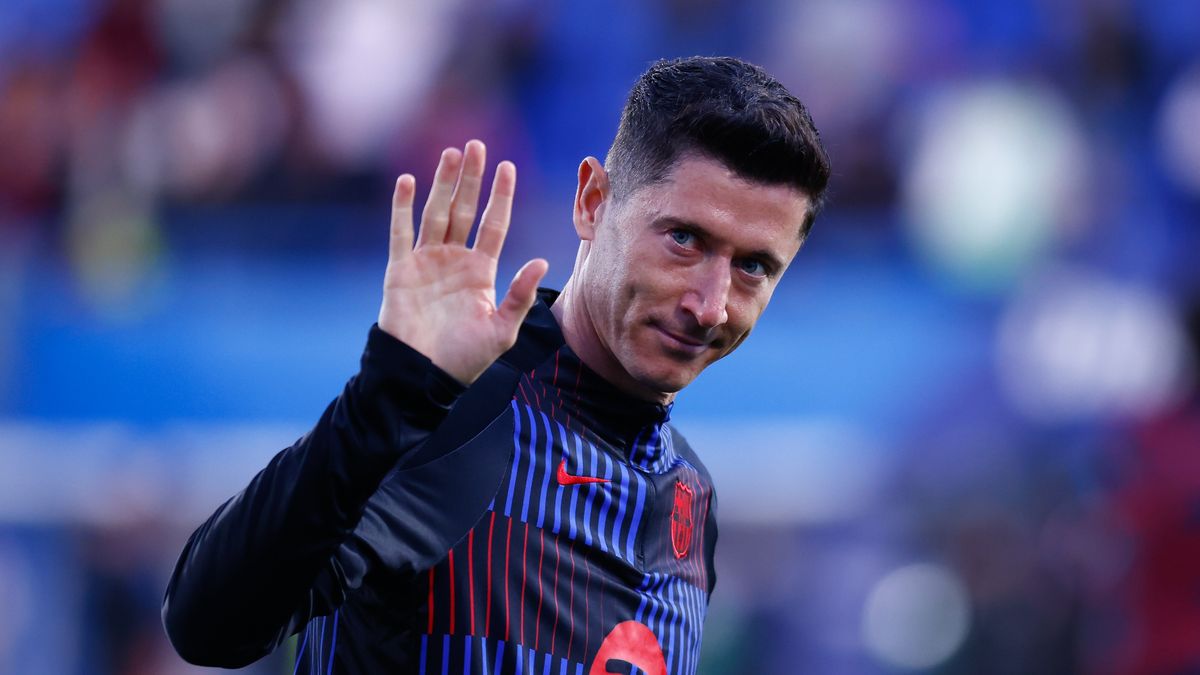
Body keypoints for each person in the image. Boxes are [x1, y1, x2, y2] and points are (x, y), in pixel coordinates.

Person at [162, 55, 830, 675]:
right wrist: (384, 399)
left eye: (753, 267)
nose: (711, 305)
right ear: (594, 202)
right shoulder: (454, 418)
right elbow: (207, 625)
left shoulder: (691, 496)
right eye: (684, 239)